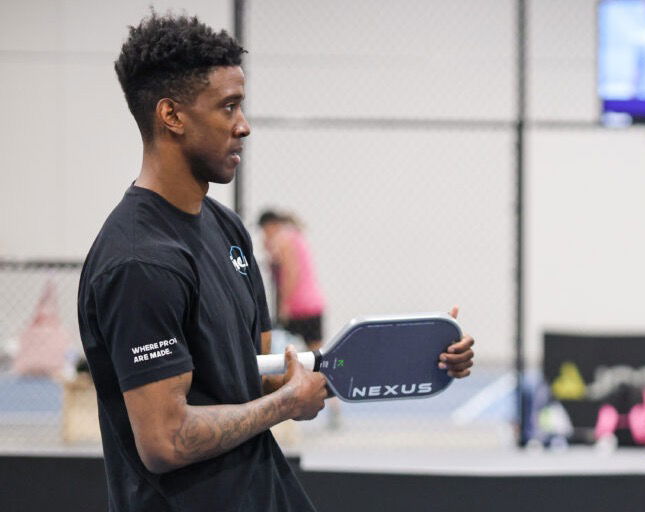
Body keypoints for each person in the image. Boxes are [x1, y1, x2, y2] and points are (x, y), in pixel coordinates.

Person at [77, 14, 476, 511]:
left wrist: (414, 356)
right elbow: (166, 440)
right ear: (172, 116)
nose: (244, 125)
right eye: (228, 107)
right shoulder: (141, 263)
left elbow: (252, 379)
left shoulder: (226, 229)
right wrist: (285, 404)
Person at [258, 210, 326, 351]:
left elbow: (290, 273)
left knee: (284, 350)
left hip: (298, 306)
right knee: (315, 351)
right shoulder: (295, 235)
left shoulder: (283, 240)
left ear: (271, 225)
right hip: (313, 304)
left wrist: (285, 305)